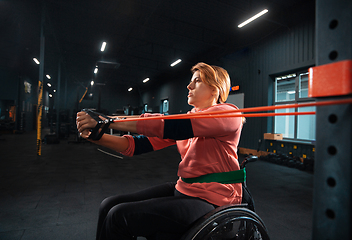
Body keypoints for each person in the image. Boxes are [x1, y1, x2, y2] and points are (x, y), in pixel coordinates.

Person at [76, 62, 245, 240]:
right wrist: (97, 137)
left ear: (214, 89)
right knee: (108, 205)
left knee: (119, 216)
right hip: (186, 189)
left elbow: (171, 126)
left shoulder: (228, 114)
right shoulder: (189, 118)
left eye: (197, 81)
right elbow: (137, 145)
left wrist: (108, 121)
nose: (189, 86)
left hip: (213, 199)